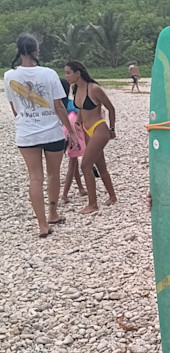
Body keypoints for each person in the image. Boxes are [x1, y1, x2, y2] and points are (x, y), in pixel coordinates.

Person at [4, 34, 74, 238]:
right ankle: (53, 213)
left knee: (35, 177)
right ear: (36, 50)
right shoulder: (49, 74)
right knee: (53, 174)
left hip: (26, 134)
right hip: (51, 132)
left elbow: (15, 109)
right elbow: (59, 106)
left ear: (19, 51)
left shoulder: (9, 76)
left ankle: (42, 225)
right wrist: (70, 130)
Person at [64, 60, 117, 214]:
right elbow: (81, 108)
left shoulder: (94, 88)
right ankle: (113, 197)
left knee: (85, 165)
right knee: (101, 166)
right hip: (86, 130)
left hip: (99, 128)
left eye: (68, 73)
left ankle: (92, 204)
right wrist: (78, 122)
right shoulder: (75, 89)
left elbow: (111, 108)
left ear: (78, 73)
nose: (66, 76)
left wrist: (112, 128)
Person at [59, 78, 87, 202]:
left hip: (60, 135)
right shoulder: (72, 104)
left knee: (73, 161)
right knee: (72, 164)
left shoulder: (55, 104)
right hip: (72, 135)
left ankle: (81, 188)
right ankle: (64, 194)